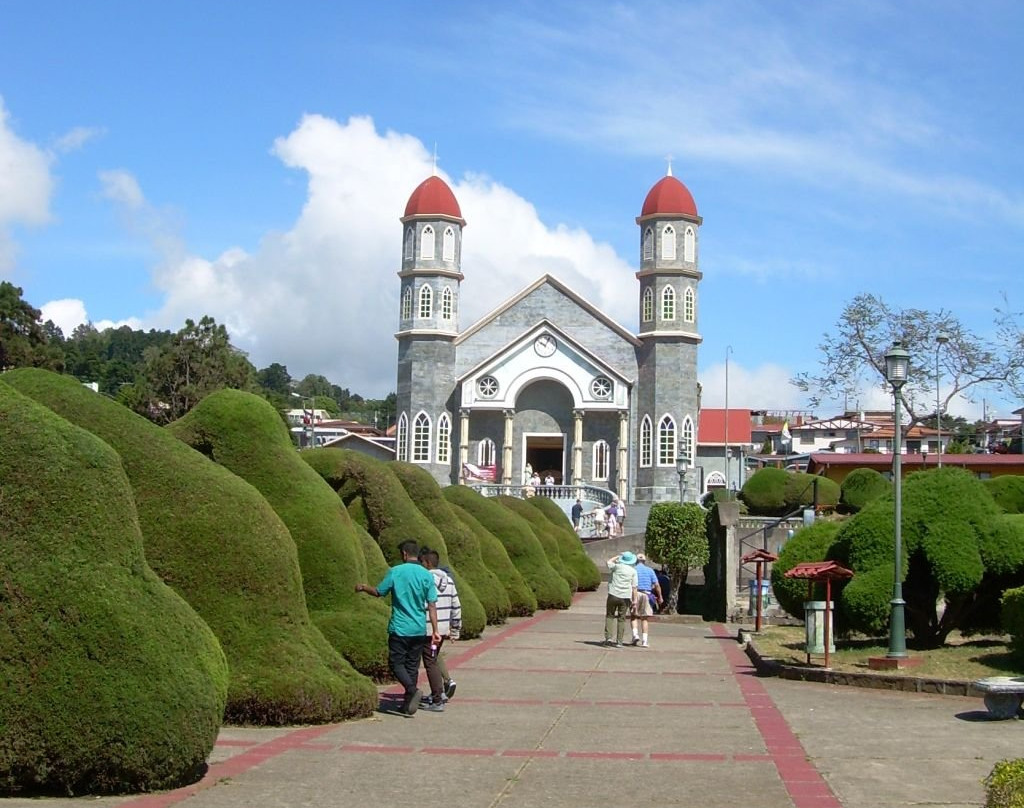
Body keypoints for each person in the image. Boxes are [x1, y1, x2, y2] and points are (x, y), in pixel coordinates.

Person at [355, 540, 440, 716]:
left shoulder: (395, 571)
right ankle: (407, 705)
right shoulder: (426, 575)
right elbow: (432, 605)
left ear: (404, 554)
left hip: (400, 627)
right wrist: (436, 630)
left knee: (395, 663)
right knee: (412, 666)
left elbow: (379, 592)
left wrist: (363, 587)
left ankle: (410, 689)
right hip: (419, 628)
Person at [418, 548, 461, 712]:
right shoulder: (449, 581)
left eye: (422, 562)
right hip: (442, 630)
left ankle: (438, 698)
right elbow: (456, 606)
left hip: (429, 629)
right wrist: (455, 630)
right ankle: (440, 692)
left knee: (430, 661)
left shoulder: (424, 580)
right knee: (434, 657)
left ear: (427, 563)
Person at [604, 551, 638, 647]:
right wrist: (634, 600)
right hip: (625, 597)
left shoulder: (617, 567)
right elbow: (634, 587)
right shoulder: (633, 571)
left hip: (613, 594)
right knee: (621, 619)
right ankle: (619, 641)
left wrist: (617, 556)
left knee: (610, 616)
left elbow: (608, 562)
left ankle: (608, 637)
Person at [630, 553, 661, 647]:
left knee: (633, 616)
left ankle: (635, 634)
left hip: (635, 593)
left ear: (635, 561)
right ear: (644, 561)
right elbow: (657, 585)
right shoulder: (650, 570)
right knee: (644, 618)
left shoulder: (633, 570)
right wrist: (660, 596)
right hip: (646, 594)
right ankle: (645, 641)